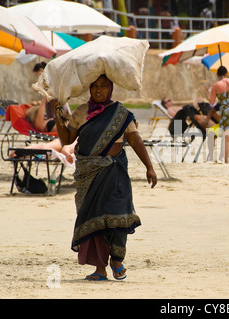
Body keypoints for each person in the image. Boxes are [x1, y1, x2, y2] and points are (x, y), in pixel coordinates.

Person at [49, 74, 157, 281]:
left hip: (114, 172)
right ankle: (100, 268)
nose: (99, 90)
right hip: (89, 174)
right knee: (92, 217)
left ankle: (117, 260)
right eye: (95, 86)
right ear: (90, 89)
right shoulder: (81, 112)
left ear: (111, 89)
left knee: (118, 215)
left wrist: (149, 167)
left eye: (104, 86)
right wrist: (58, 115)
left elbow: (135, 140)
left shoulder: (120, 113)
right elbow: (67, 139)